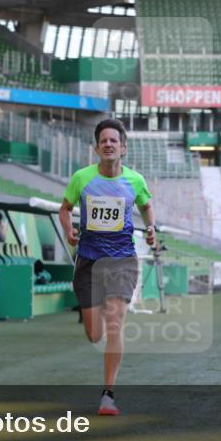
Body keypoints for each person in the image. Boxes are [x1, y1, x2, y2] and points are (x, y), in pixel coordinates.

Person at [59, 119, 155, 417]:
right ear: (97, 147)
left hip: (122, 260)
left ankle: (108, 395)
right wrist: (68, 230)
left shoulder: (135, 181)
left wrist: (151, 227)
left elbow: (146, 205)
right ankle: (95, 312)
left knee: (115, 323)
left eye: (115, 140)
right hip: (88, 260)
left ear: (123, 148)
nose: (109, 144)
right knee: (93, 334)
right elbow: (65, 208)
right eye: (104, 141)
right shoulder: (82, 178)